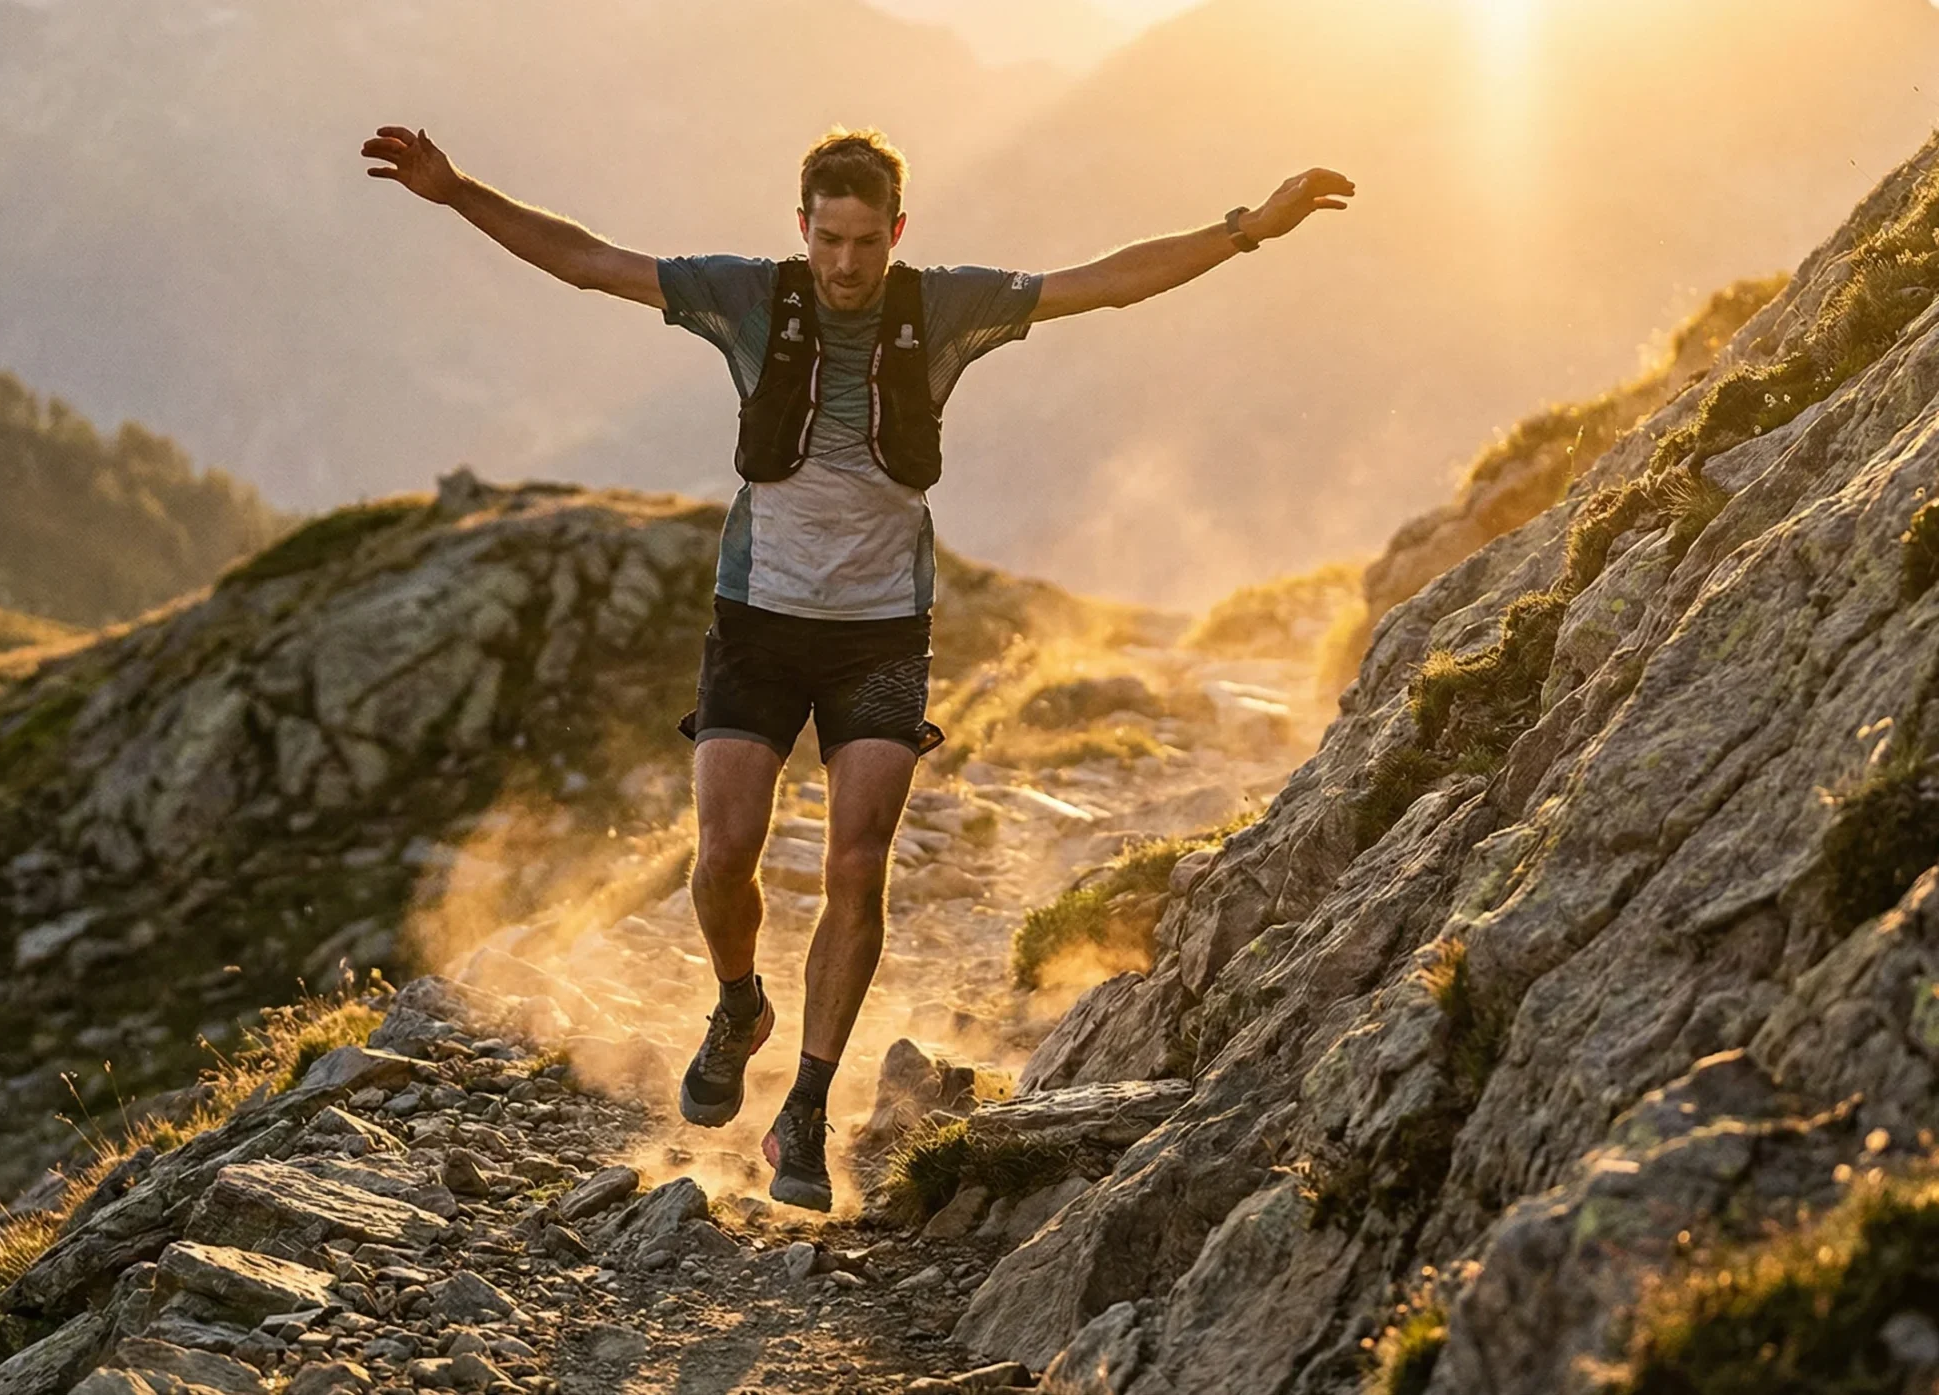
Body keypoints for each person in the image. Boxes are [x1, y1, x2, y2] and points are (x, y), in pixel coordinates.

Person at [362, 122, 1353, 1210]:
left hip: (882, 631)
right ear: (802, 228)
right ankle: (740, 1006)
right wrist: (457, 192)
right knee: (723, 854)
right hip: (757, 621)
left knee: (855, 866)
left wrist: (1247, 229)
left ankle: (808, 1107)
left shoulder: (945, 308)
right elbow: (590, 260)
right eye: (828, 239)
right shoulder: (747, 297)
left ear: (896, 234)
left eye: (865, 243)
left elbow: (1105, 284)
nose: (844, 264)